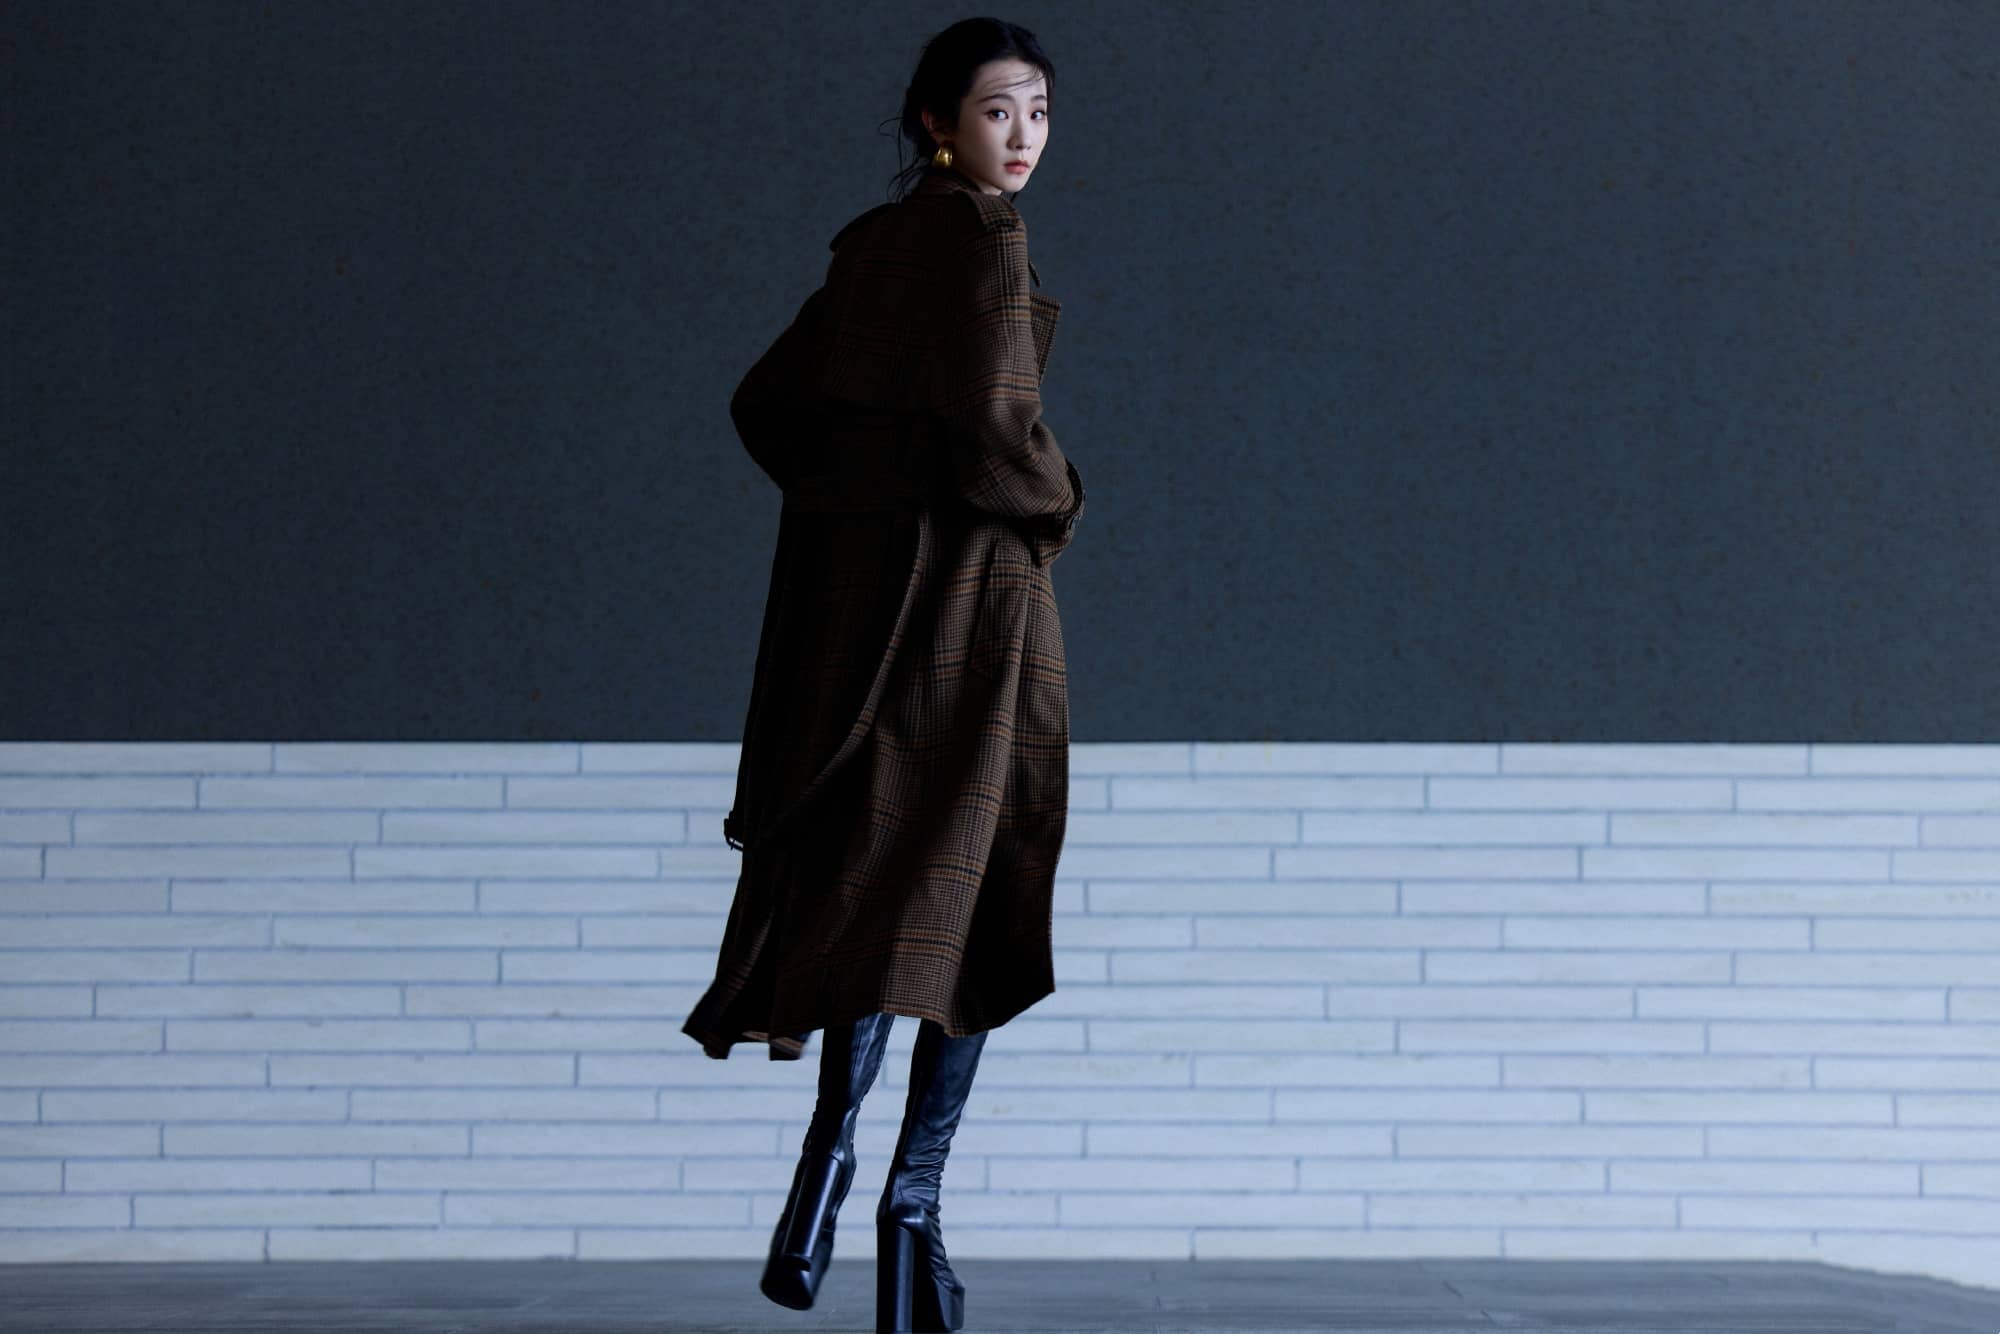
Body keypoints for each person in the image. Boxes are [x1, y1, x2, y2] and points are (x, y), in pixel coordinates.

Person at [680, 17, 1084, 1333]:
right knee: (979, 902)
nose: (1022, 137)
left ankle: (824, 1170)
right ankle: (911, 1204)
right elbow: (998, 433)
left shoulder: (875, 247)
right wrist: (1059, 501)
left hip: (870, 638)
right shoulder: (985, 242)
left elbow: (766, 402)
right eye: (998, 110)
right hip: (976, 620)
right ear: (935, 122)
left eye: (1038, 112)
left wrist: (865, 511)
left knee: (882, 893)